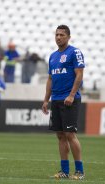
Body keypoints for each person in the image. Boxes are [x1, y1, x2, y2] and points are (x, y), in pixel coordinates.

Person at [42, 25, 85, 180]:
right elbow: (50, 79)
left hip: (70, 99)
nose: (58, 37)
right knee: (60, 135)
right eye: (56, 35)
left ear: (68, 37)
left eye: (61, 35)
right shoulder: (52, 56)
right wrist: (46, 100)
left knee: (70, 134)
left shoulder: (75, 52)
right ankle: (64, 171)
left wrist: (72, 95)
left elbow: (79, 74)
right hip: (57, 99)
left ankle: (79, 171)